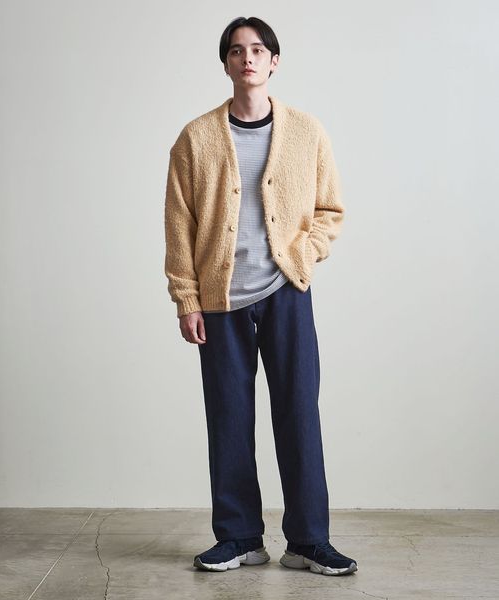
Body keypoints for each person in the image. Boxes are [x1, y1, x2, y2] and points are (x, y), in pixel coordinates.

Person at [164, 16, 358, 576]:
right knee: (228, 418)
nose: (246, 58)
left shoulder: (306, 132)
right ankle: (239, 537)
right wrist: (186, 298)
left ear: (274, 61)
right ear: (225, 63)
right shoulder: (195, 138)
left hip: (286, 293)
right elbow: (179, 224)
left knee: (298, 414)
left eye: (257, 49)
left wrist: (301, 255)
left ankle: (308, 541)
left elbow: (330, 209)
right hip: (219, 300)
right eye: (235, 50)